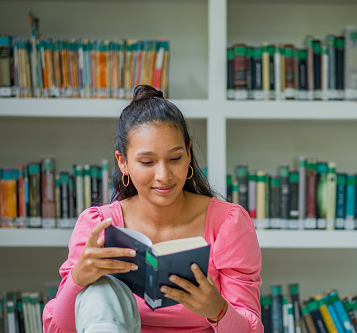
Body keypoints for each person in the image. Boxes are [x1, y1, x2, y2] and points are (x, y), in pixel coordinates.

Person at [42, 85, 263, 333]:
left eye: (175, 159)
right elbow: (57, 329)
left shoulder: (227, 223)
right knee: (99, 291)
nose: (163, 175)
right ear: (123, 162)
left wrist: (218, 310)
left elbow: (251, 329)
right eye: (147, 162)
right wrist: (77, 280)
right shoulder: (98, 225)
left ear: (189, 154)